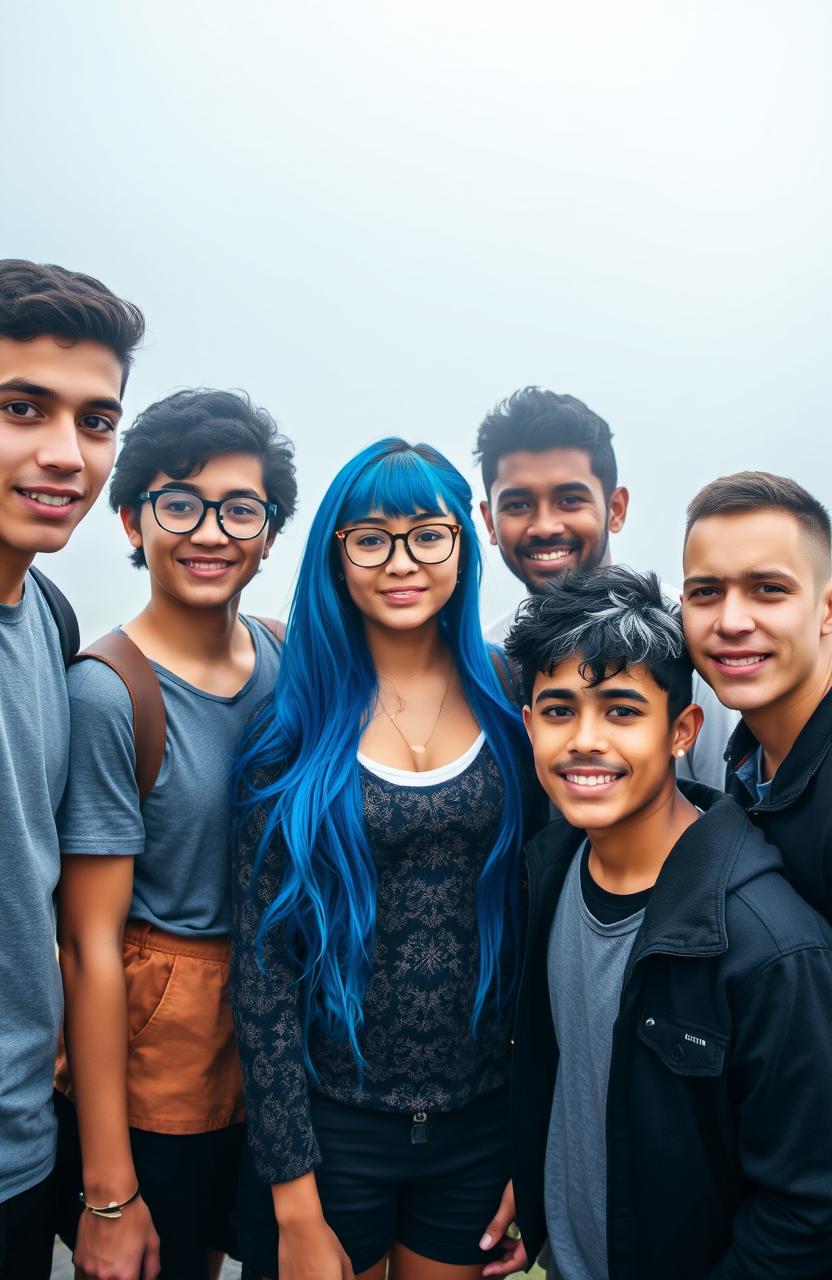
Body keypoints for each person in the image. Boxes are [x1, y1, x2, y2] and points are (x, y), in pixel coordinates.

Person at [232, 438, 541, 1280]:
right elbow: (263, 974)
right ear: (337, 555)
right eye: (370, 538)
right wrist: (293, 1200)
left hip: (477, 1124)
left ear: (462, 547)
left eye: (427, 535)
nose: (401, 561)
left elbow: (541, 923)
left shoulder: (517, 705)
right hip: (337, 1129)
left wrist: (526, 1145)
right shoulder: (288, 734)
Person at [493, 566, 832, 1280]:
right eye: (558, 711)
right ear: (528, 725)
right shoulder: (545, 875)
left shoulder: (768, 944)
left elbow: (805, 1211)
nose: (585, 740)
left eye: (621, 710)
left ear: (682, 731)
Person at [53, 389, 296, 1280]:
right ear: (130, 519)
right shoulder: (109, 693)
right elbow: (89, 947)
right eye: (178, 503)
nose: (211, 532)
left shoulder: (284, 656)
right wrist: (108, 1192)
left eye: (241, 509)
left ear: (270, 535)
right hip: (164, 1064)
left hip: (278, 1050)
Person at [0, 258, 143, 1279]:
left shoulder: (48, 618)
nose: (65, 454)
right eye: (21, 407)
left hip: (21, 1153)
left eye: (96, 421)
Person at [474, 385, 736, 788]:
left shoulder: (686, 633)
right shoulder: (486, 657)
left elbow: (731, 798)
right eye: (518, 505)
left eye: (569, 500)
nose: (545, 526)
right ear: (490, 522)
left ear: (615, 509)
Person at [682, 471, 832, 921]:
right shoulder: (752, 759)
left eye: (768, 589)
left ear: (827, 611)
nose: (731, 621)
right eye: (706, 591)